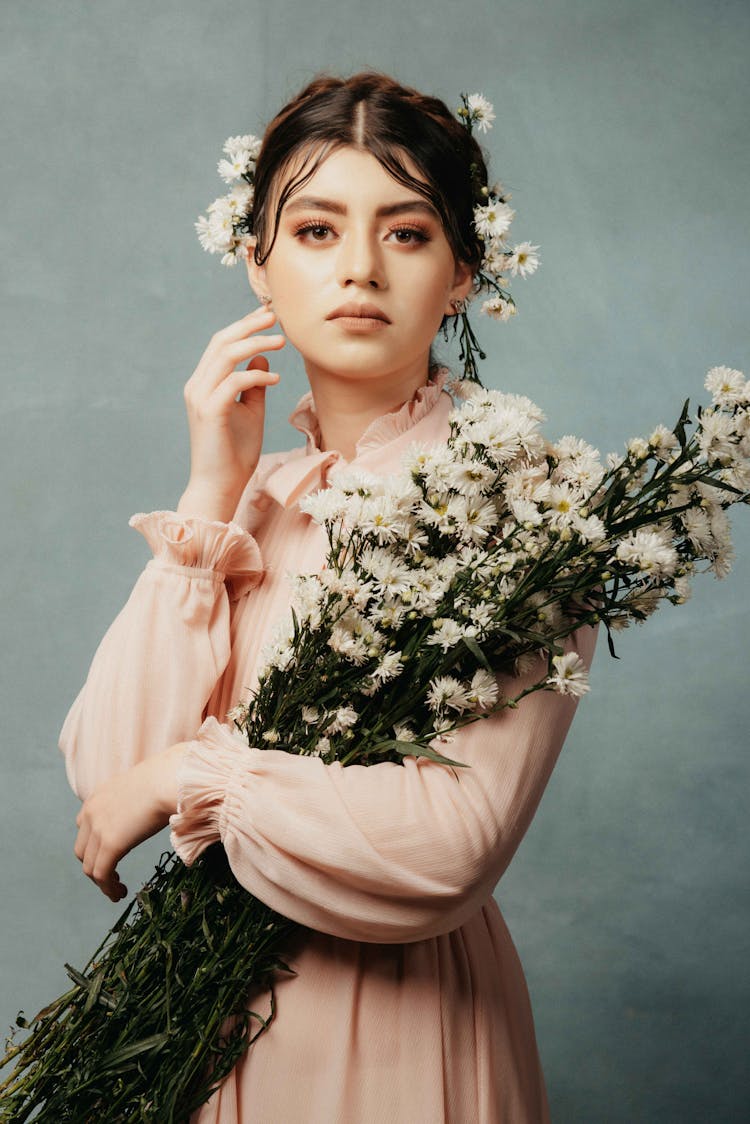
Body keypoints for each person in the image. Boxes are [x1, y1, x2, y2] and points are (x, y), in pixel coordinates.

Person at [61, 70, 598, 1123]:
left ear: (463, 271)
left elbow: (448, 846)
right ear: (257, 264)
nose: (358, 268)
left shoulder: (519, 511)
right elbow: (108, 784)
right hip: (208, 1034)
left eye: (405, 233)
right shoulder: (250, 505)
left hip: (403, 1037)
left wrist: (195, 771)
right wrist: (210, 495)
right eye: (314, 230)